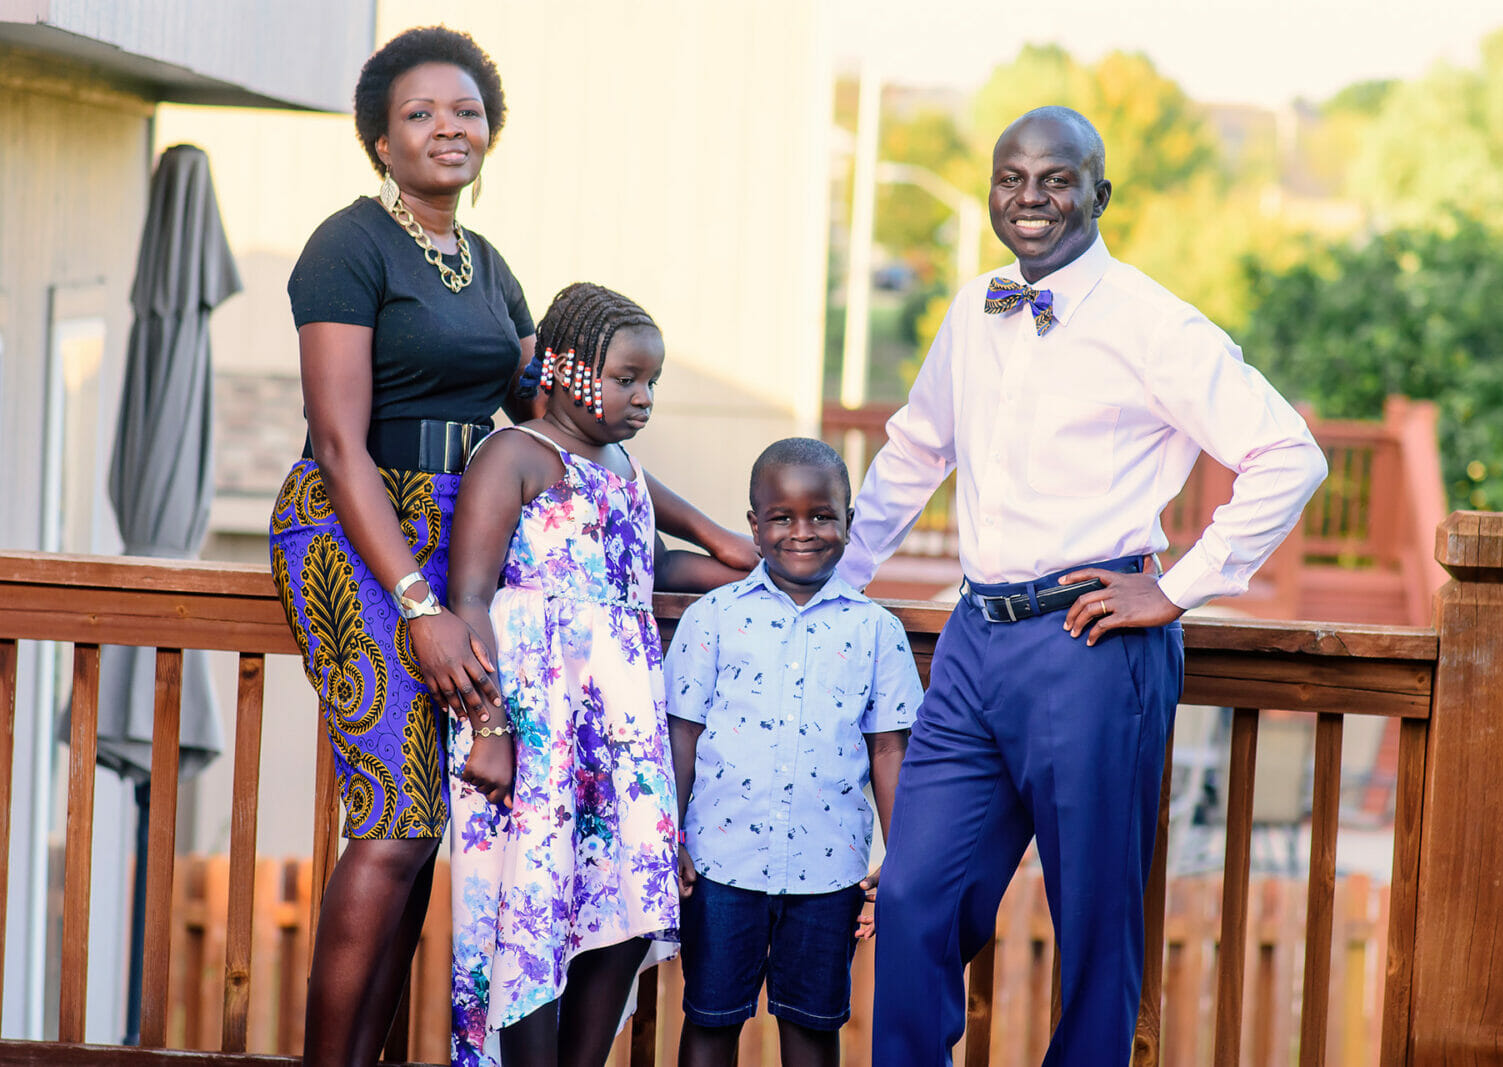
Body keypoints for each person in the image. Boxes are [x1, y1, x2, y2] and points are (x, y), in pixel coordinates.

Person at [269, 30, 752, 1067]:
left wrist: (707, 528)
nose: (449, 129)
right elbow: (340, 443)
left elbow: (560, 428)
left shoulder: (485, 266)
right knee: (397, 819)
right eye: (420, 114)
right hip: (359, 529)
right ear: (380, 140)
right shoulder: (347, 246)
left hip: (470, 529)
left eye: (467, 111)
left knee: (432, 827)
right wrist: (418, 602)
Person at [837, 106, 1329, 1065]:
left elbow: (1289, 455)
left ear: (1099, 194)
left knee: (1095, 925)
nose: (1030, 197)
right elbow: (915, 451)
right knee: (914, 893)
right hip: (973, 639)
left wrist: (1176, 589)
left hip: (1093, 642)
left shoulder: (1152, 321)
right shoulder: (974, 308)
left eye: (1055, 179)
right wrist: (834, 581)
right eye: (1011, 178)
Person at [445, 282, 746, 1067]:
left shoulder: (624, 467)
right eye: (626, 378)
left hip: (620, 730)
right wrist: (489, 728)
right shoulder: (514, 455)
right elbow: (469, 596)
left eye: (652, 382)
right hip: (534, 724)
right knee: (533, 904)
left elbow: (650, 562)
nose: (644, 397)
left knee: (624, 897)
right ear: (562, 366)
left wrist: (743, 557)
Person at [665, 438, 923, 1067]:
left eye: (822, 516)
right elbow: (680, 735)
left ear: (848, 523)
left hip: (828, 873)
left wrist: (902, 861)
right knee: (710, 1022)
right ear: (755, 526)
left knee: (812, 1030)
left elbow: (890, 750)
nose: (803, 532)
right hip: (720, 866)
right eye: (782, 517)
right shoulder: (713, 618)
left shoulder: (877, 631)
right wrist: (668, 837)